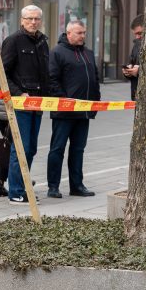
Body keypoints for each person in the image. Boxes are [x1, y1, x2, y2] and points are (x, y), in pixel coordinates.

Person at [1, 4, 50, 204]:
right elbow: (2, 73)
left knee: (31, 149)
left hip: (38, 103)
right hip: (21, 103)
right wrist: (19, 93)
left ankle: (24, 186)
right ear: (22, 20)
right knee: (21, 147)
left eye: (36, 19)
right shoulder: (13, 41)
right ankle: (16, 191)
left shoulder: (42, 42)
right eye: (29, 18)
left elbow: (45, 74)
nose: (33, 22)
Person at [46, 20, 99, 199]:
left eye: (84, 33)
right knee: (57, 149)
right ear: (68, 33)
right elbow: (52, 79)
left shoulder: (88, 53)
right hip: (64, 111)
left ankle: (77, 185)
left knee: (78, 149)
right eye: (79, 33)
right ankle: (53, 186)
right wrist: (64, 100)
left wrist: (95, 102)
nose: (83, 36)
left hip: (84, 112)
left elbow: (95, 78)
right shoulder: (57, 52)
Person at [124, 15, 143, 100]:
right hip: (137, 96)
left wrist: (138, 71)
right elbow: (131, 62)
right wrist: (128, 71)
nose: (137, 37)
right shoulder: (136, 45)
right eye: (135, 34)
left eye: (140, 33)